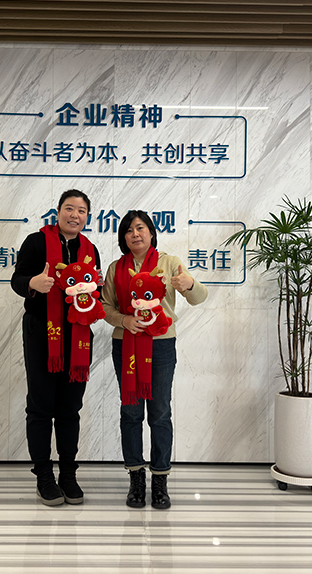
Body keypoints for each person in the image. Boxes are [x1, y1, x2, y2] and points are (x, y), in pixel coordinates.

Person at [100, 210, 208, 509]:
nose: (135, 234)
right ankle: (136, 477)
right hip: (126, 345)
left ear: (151, 232)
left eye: (140, 228)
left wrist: (189, 284)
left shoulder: (170, 263)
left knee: (159, 413)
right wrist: (123, 320)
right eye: (129, 230)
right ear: (123, 237)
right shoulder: (115, 268)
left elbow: (199, 298)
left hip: (160, 346)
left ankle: (160, 478)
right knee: (131, 413)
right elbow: (105, 306)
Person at [11, 189, 102, 507]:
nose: (75, 215)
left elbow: (93, 291)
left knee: (70, 408)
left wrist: (96, 293)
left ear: (87, 216)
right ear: (58, 211)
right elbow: (17, 279)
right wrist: (32, 284)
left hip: (78, 335)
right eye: (69, 208)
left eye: (81, 210)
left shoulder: (90, 250)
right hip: (42, 332)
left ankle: (68, 475)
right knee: (40, 407)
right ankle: (44, 476)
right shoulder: (36, 242)